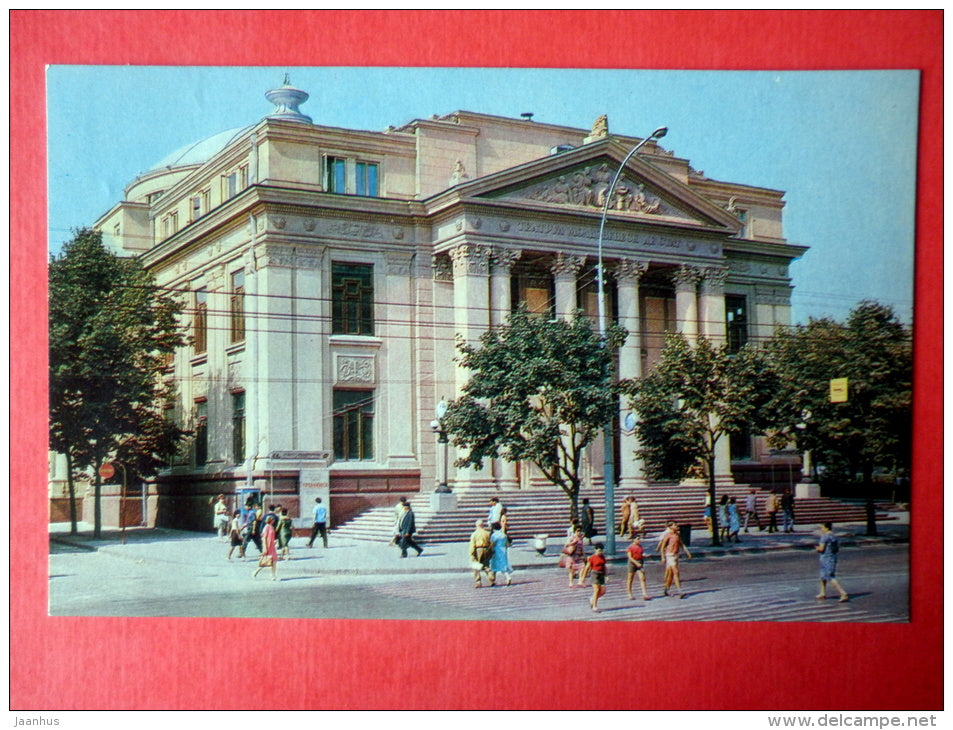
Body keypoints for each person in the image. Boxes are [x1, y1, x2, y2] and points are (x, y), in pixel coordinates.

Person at [656, 521, 692, 598]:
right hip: (669, 555)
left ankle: (666, 589)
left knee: (670, 574)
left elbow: (682, 545)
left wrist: (687, 553)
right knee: (676, 572)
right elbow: (662, 547)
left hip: (676, 555)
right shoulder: (668, 535)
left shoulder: (677, 535)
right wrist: (663, 557)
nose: (677, 526)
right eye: (675, 525)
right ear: (670, 527)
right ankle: (680, 591)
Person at [815, 522, 849, 602]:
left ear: (826, 528)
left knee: (830, 577)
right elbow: (837, 549)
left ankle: (843, 593)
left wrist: (817, 548)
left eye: (822, 528)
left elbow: (821, 549)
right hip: (832, 557)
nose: (821, 529)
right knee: (823, 575)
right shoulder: (834, 536)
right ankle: (822, 592)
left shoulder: (824, 537)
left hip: (826, 558)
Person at [580, 543, 607, 612]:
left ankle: (592, 599)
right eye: (598, 551)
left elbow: (604, 566)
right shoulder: (592, 558)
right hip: (595, 574)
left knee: (603, 591)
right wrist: (583, 577)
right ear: (595, 550)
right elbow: (587, 568)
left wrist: (606, 575)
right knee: (596, 590)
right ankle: (594, 606)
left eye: (601, 551)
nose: (600, 552)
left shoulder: (603, 557)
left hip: (601, 574)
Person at [253, 515, 279, 580]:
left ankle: (273, 575)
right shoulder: (266, 527)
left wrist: (274, 541)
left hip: (272, 546)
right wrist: (265, 548)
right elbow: (264, 538)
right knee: (266, 561)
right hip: (268, 546)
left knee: (274, 560)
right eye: (273, 520)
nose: (274, 521)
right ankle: (256, 571)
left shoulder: (271, 527)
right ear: (270, 520)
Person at [487, 521, 513, 586]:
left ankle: (492, 580)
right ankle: (508, 577)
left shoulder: (494, 535)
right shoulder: (503, 535)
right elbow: (507, 544)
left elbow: (492, 544)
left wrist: (490, 550)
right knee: (503, 565)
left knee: (494, 565)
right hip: (503, 551)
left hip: (496, 551)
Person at [468, 520, 493, 588]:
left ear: (476, 526)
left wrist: (472, 554)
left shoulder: (474, 534)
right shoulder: (487, 533)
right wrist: (491, 552)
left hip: (478, 550)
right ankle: (491, 578)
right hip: (486, 549)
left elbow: (472, 545)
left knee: (476, 566)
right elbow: (491, 543)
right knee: (486, 565)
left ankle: (478, 581)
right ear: (483, 525)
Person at [626, 535, 650, 601]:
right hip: (632, 563)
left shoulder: (640, 547)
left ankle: (644, 593)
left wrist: (644, 556)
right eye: (637, 539)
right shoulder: (630, 547)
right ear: (634, 540)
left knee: (642, 578)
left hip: (640, 562)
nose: (639, 540)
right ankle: (629, 593)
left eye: (639, 539)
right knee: (630, 578)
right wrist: (636, 563)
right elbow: (630, 557)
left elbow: (640, 554)